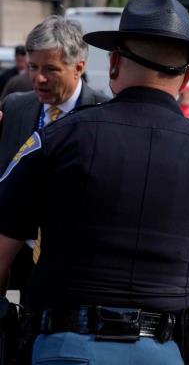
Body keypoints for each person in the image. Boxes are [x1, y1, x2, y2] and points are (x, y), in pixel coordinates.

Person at [0, 0, 189, 365]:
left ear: (113, 65)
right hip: (164, 352)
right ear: (185, 78)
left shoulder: (53, 141)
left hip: (66, 350)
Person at [0, 16, 109, 303]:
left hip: (77, 263)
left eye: (50, 69)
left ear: (78, 68)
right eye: (34, 67)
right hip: (16, 255)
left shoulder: (104, 113)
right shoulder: (14, 107)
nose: (39, 78)